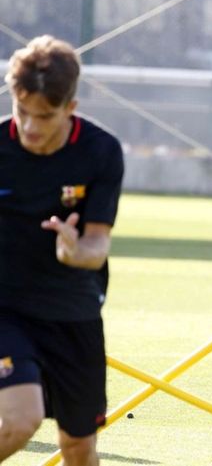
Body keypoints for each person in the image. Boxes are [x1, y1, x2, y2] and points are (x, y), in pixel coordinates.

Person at [0, 35, 124, 465]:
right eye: (22, 111)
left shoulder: (101, 151)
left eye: (45, 116)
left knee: (78, 446)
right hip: (6, 309)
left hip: (73, 311)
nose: (30, 127)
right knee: (19, 421)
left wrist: (74, 253)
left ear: (70, 107)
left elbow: (97, 245)